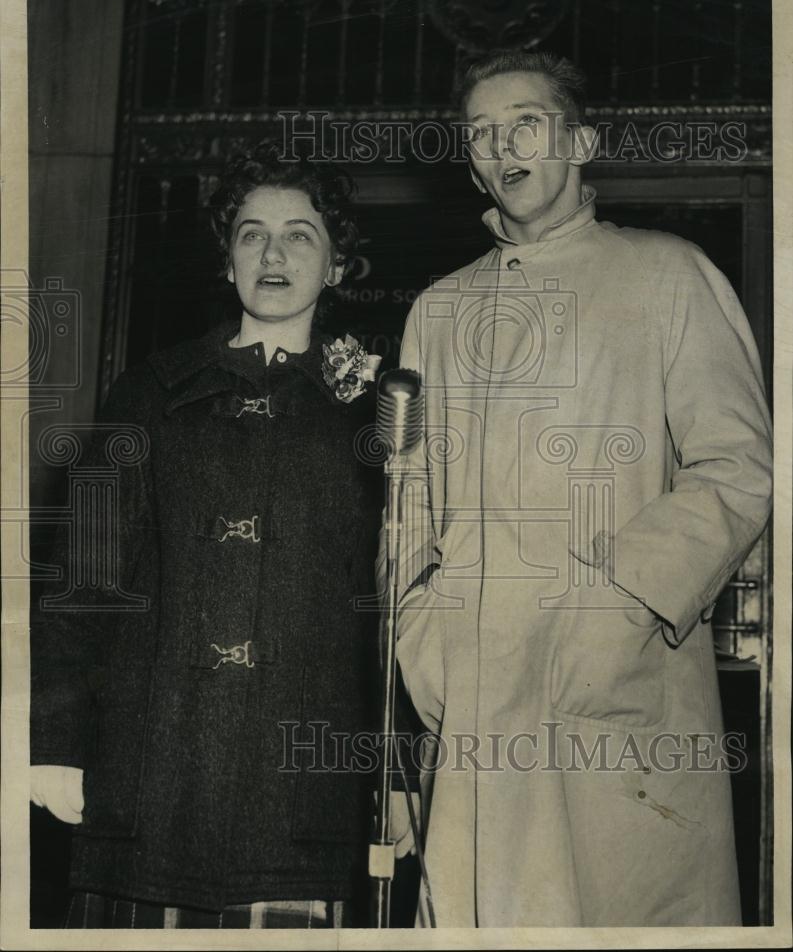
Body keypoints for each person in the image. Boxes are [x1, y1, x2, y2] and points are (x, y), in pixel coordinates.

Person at [390, 50, 773, 927]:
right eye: (480, 132)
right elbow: (406, 504)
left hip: (619, 689)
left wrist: (619, 603)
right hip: (472, 701)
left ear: (581, 140)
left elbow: (739, 467)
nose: (500, 145)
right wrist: (421, 638)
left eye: (524, 121)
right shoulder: (437, 311)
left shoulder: (667, 274)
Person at [30, 143, 388, 928]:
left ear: (336, 265)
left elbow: (394, 601)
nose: (273, 252)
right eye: (251, 233)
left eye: (301, 234)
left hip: (305, 785)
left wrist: (394, 766)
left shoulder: (378, 412)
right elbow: (82, 577)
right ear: (226, 261)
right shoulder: (147, 394)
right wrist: (53, 739)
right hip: (149, 772)